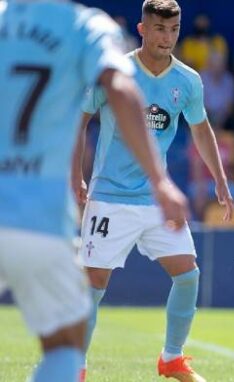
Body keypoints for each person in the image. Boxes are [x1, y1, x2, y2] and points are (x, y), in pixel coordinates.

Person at [0, 1, 187, 381]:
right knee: (65, 345)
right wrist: (160, 180)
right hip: (38, 215)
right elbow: (120, 87)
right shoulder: (88, 27)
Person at [72, 1, 234, 381]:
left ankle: (172, 359)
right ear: (143, 29)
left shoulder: (188, 80)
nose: (167, 37)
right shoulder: (114, 72)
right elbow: (77, 122)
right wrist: (76, 177)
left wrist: (220, 179)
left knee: (188, 275)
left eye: (174, 29)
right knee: (93, 285)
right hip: (110, 196)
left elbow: (201, 130)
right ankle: (74, 366)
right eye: (159, 28)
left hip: (158, 199)